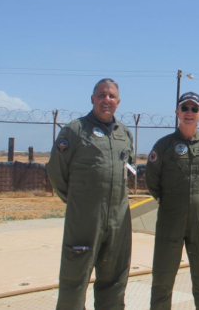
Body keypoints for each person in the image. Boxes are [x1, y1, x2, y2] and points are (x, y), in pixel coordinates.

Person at [47, 78, 134, 310]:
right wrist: (79, 201)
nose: (107, 100)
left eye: (111, 96)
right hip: (85, 218)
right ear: (92, 99)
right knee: (75, 278)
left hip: (117, 219)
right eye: (102, 95)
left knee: (115, 277)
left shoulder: (124, 133)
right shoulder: (75, 131)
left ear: (118, 102)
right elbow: (57, 171)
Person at [145, 92, 199, 309]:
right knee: (162, 279)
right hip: (170, 220)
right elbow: (152, 180)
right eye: (185, 108)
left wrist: (198, 198)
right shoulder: (163, 146)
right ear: (177, 112)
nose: (189, 113)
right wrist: (172, 200)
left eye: (194, 109)